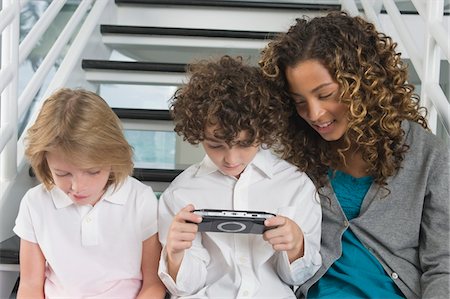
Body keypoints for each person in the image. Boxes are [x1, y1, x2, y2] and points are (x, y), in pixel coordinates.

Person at [259, 10, 450, 299]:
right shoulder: (294, 158)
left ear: (362, 84)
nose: (314, 114)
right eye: (300, 102)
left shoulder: (429, 157)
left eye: (325, 95)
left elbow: (443, 265)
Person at [157, 55, 322, 298]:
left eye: (245, 144)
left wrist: (296, 245)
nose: (231, 159)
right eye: (215, 145)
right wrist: (175, 252)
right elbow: (186, 287)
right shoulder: (181, 192)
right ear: (198, 133)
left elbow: (298, 278)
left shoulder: (295, 185)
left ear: (263, 131)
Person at [13, 88, 166, 298]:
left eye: (93, 172)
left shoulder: (139, 199)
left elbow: (154, 284)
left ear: (113, 157)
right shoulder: (35, 203)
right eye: (63, 173)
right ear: (45, 163)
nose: (78, 187)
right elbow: (30, 286)